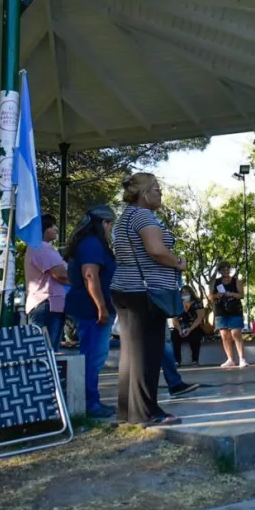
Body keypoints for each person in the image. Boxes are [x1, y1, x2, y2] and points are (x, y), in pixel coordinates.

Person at [111, 173, 184, 426]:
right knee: (147, 353)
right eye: (156, 189)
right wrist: (178, 263)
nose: (160, 193)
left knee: (131, 353)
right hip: (144, 292)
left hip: (126, 288)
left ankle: (127, 411)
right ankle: (147, 412)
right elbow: (155, 250)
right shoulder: (143, 216)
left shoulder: (124, 218)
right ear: (144, 194)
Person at [64, 205, 117, 419]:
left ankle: (91, 402)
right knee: (93, 357)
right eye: (110, 224)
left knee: (94, 355)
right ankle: (90, 404)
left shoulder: (86, 243)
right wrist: (101, 308)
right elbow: (90, 276)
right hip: (92, 310)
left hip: (88, 308)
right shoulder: (92, 244)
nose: (111, 229)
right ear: (104, 223)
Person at [25, 215, 69, 350]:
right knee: (47, 353)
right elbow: (60, 274)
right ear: (42, 229)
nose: (56, 229)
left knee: (48, 352)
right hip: (46, 305)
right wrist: (83, 281)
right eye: (51, 226)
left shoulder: (41, 248)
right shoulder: (40, 248)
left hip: (48, 305)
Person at [210, 262, 247, 368]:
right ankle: (230, 359)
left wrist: (231, 294)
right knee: (225, 335)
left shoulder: (236, 281)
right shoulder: (216, 282)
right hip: (220, 310)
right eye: (223, 269)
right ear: (220, 271)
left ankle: (242, 358)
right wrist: (217, 295)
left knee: (236, 333)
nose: (225, 271)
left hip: (234, 309)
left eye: (227, 269)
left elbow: (242, 295)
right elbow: (210, 296)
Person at [172, 286, 205, 366]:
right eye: (182, 293)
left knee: (195, 335)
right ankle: (177, 360)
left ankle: (195, 360)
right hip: (181, 326)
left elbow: (200, 318)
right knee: (174, 336)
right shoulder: (177, 304)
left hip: (193, 326)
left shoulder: (197, 302)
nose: (184, 294)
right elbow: (174, 319)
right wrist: (180, 330)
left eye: (186, 292)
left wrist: (190, 329)